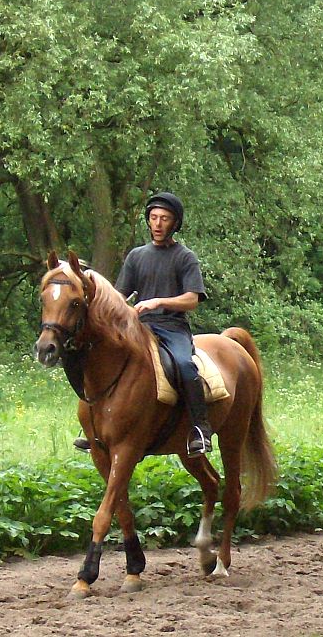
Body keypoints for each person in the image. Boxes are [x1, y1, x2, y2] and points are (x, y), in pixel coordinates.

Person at [74, 191, 213, 455]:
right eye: (153, 218)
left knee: (184, 366)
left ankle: (199, 428)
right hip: (139, 326)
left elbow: (192, 299)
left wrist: (158, 301)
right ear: (148, 221)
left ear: (175, 223)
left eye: (164, 219)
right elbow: (120, 295)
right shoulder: (136, 256)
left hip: (172, 327)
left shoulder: (185, 257)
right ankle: (92, 425)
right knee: (100, 359)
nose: (158, 224)